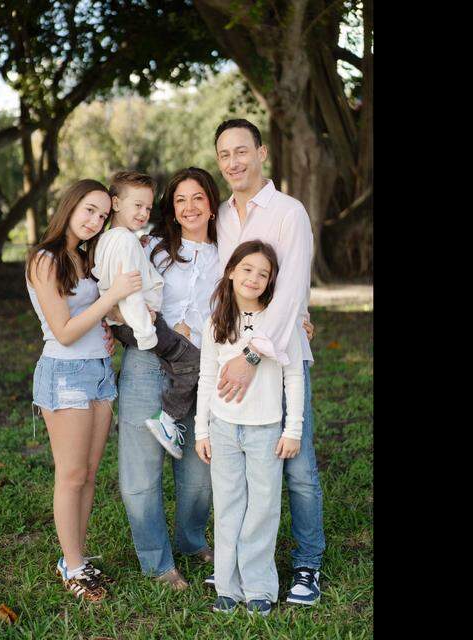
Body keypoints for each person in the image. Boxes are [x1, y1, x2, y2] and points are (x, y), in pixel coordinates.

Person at [211, 118, 326, 605]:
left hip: (278, 358)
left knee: (296, 465)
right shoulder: (221, 215)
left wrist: (252, 355)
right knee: (241, 475)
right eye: (224, 155)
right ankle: (238, 566)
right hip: (232, 354)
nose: (233, 162)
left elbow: (292, 288)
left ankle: (307, 562)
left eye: (241, 151)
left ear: (261, 153)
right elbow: (221, 284)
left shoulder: (288, 212)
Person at [26, 179, 143, 602]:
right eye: (88, 210)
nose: (95, 220)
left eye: (102, 215)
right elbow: (63, 330)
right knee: (71, 474)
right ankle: (73, 567)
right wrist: (111, 298)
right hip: (65, 372)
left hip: (99, 370)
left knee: (89, 474)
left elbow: (92, 316)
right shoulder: (44, 259)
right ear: (70, 207)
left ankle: (75, 556)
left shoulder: (85, 257)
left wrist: (106, 327)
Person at [114, 167, 221, 590]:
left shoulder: (228, 252)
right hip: (147, 363)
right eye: (180, 200)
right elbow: (112, 286)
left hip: (201, 370)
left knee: (199, 475)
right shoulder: (149, 247)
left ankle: (192, 541)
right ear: (171, 209)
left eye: (198, 198)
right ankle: (157, 563)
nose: (189, 207)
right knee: (141, 474)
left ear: (212, 204)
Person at [195, 240, 303, 616]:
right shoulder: (216, 322)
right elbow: (207, 378)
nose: (254, 278)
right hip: (223, 428)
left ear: (271, 281)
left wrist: (293, 429)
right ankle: (227, 586)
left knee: (262, 508)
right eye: (247, 269)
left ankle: (258, 587)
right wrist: (201, 430)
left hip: (266, 430)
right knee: (228, 507)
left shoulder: (280, 321)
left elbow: (294, 377)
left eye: (263, 273)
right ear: (230, 272)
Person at [93, 170, 202, 459]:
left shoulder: (112, 239)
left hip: (126, 322)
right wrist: (146, 332)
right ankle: (167, 419)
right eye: (137, 205)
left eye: (148, 208)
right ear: (116, 203)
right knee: (193, 360)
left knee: (177, 359)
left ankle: (131, 413)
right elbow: (129, 291)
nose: (143, 213)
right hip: (140, 323)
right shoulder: (126, 242)